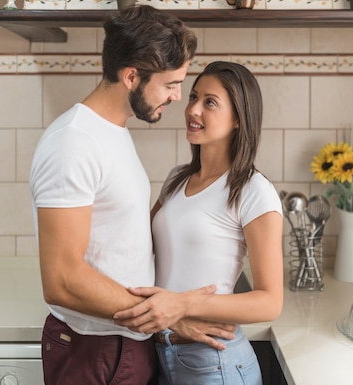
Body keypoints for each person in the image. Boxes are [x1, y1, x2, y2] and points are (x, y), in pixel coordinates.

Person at [30, 6, 234, 385]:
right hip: (93, 351)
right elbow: (61, 279)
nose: (177, 98)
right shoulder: (74, 143)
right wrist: (171, 315)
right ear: (131, 77)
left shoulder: (112, 132)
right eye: (171, 84)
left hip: (125, 343)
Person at [113, 61, 285, 385]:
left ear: (238, 119)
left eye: (210, 102)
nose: (193, 110)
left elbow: (270, 301)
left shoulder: (253, 191)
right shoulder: (177, 179)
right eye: (194, 97)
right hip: (162, 351)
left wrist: (185, 303)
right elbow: (139, 248)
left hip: (214, 363)